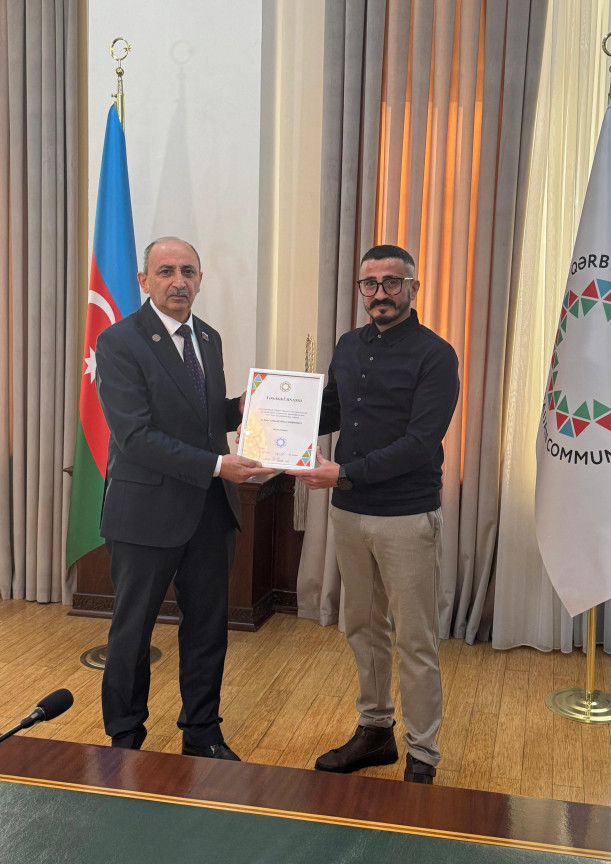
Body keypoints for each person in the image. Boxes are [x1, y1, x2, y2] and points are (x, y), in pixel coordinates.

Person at [289, 244, 459, 784]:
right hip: (349, 513)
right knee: (362, 627)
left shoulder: (436, 356)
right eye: (370, 283)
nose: (380, 293)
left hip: (405, 516)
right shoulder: (348, 345)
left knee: (415, 638)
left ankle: (423, 753)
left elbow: (419, 443)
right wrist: (272, 420)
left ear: (413, 288)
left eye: (392, 282)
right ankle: (376, 730)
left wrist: (342, 473)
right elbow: (333, 411)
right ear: (360, 290)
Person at [96, 237, 272, 758]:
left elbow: (205, 417)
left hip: (210, 513)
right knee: (132, 633)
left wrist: (258, 406)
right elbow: (135, 435)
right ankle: (125, 740)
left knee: (208, 630)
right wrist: (218, 464)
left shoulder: (208, 337)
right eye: (166, 271)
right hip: (145, 514)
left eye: (188, 271)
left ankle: (202, 733)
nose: (179, 281)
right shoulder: (118, 341)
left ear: (199, 279)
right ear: (144, 281)